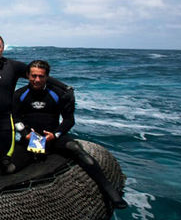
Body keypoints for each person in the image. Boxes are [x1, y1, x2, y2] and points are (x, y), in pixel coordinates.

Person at [13, 60, 127, 208]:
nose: (37, 80)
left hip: (53, 137)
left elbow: (69, 120)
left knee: (77, 150)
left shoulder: (58, 94)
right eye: (34, 76)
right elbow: (15, 118)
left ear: (47, 76)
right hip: (32, 139)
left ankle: (110, 192)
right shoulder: (19, 95)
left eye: (41, 76)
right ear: (28, 75)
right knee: (12, 166)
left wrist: (55, 135)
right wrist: (25, 133)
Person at [0, 33, 66, 176]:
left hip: (6, 119)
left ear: (3, 47)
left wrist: (65, 88)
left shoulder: (13, 66)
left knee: (6, 163)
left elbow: (38, 74)